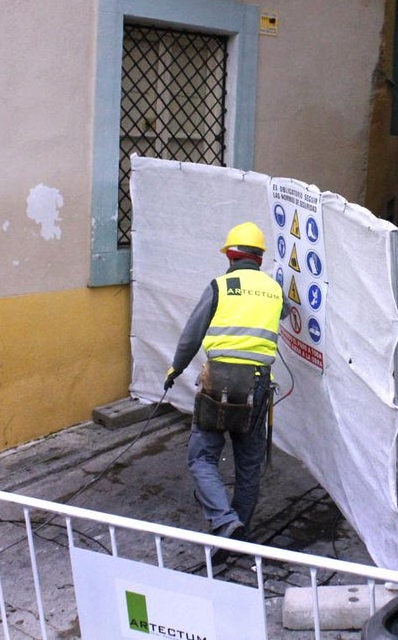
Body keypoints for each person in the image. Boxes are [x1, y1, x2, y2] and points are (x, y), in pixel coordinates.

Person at [163, 221, 285, 555]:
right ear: (260, 258)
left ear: (230, 256)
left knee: (202, 457)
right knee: (248, 464)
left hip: (217, 380)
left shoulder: (220, 286)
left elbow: (192, 334)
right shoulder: (274, 289)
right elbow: (285, 313)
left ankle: (224, 520)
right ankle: (236, 534)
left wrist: (175, 369)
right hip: (257, 384)